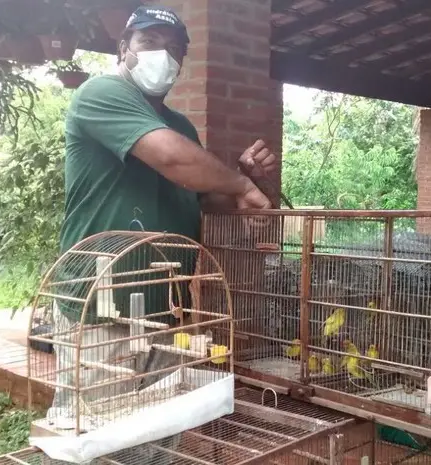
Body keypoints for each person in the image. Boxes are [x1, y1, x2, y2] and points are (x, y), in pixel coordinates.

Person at [43, 5, 277, 450]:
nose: (163, 57)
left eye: (175, 50)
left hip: (163, 310)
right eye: (149, 43)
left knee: (153, 442)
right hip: (101, 308)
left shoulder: (180, 124)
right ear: (123, 48)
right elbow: (172, 158)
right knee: (98, 439)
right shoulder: (100, 93)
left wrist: (242, 179)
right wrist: (239, 182)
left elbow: (200, 195)